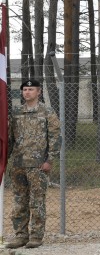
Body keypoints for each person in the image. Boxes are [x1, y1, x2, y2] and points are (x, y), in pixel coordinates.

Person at [6, 79, 61, 249]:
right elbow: (9, 139)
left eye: (31, 89)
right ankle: (21, 236)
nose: (27, 92)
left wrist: (49, 160)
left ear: (39, 92)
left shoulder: (47, 112)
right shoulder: (16, 112)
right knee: (19, 201)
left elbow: (55, 137)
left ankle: (36, 236)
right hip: (18, 165)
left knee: (36, 202)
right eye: (24, 89)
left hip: (38, 165)